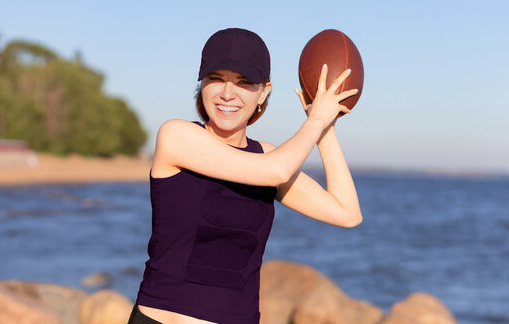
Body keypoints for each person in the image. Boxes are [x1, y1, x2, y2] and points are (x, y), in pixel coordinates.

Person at [128, 28, 362, 324]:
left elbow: (347, 213)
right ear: (201, 84)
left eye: (244, 82)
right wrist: (316, 120)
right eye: (216, 79)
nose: (228, 93)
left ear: (264, 91)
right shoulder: (177, 136)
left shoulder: (267, 156)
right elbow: (276, 170)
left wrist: (325, 125)